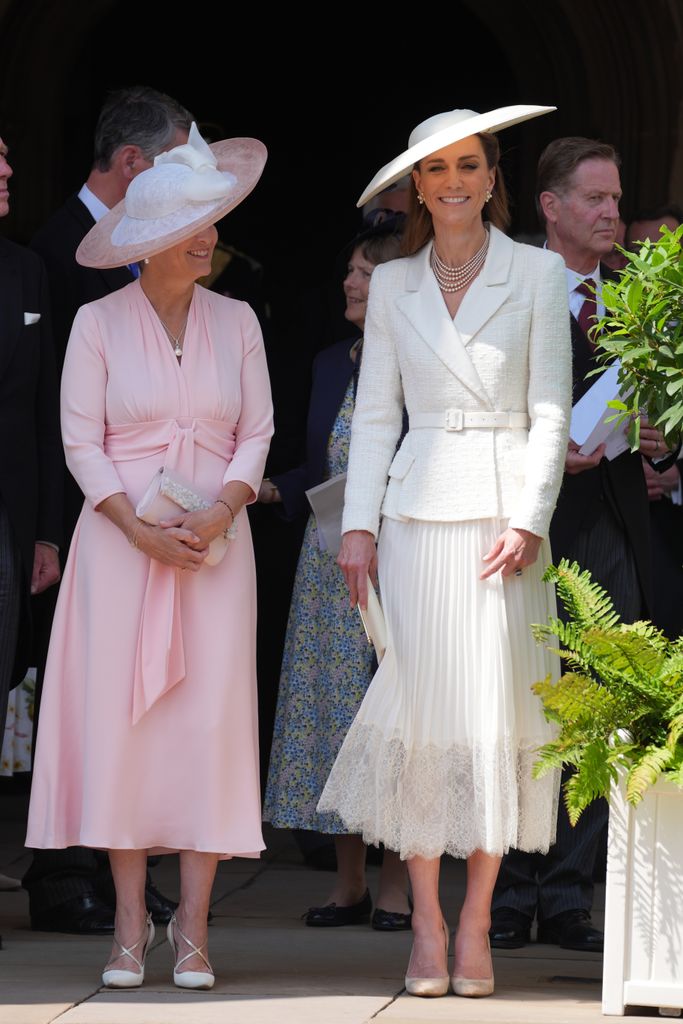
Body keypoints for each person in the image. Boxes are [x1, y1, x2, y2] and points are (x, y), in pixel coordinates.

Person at [317, 104, 572, 999]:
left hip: (503, 523)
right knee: (423, 722)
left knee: (492, 717)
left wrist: (531, 517)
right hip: (416, 519)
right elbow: (378, 414)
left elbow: (550, 410)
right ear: (415, 188)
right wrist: (356, 524)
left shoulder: (539, 275)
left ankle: (476, 922)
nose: (455, 183)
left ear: (492, 177)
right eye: (437, 170)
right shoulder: (391, 286)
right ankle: (424, 922)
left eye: (469, 166)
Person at [25, 123, 273, 990]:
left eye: (212, 222)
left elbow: (257, 434)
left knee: (207, 730)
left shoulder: (238, 319)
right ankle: (132, 925)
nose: (209, 238)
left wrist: (218, 514)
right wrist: (137, 529)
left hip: (213, 550)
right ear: (150, 242)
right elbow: (79, 443)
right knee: (126, 734)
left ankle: (195, 928)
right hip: (121, 551)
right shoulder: (94, 323)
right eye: (193, 227)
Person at [490, 138, 674, 953]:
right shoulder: (509, 290)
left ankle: (567, 896)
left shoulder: (635, 299)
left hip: (611, 525)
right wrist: (530, 448)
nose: (611, 213)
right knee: (519, 707)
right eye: (594, 199)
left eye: (616, 198)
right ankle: (504, 893)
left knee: (597, 708)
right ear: (550, 207)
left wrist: (650, 429)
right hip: (524, 528)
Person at [26, 85, 194, 936]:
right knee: (73, 692)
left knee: (130, 697)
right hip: (78, 512)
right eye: (177, 164)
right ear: (133, 165)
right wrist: (51, 524)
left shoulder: (151, 263)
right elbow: (47, 411)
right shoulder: (50, 252)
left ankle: (111, 861)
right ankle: (62, 873)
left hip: (135, 513)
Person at [262, 219, 412, 930]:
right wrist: (266, 489)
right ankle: (348, 882)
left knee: (398, 720)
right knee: (338, 721)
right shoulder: (328, 361)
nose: (348, 283)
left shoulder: (422, 361)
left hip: (403, 564)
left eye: (361, 272)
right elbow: (309, 461)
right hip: (328, 571)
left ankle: (395, 887)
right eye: (349, 271)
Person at [0, 133, 63, 947]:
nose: (10, 171)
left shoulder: (25, 271)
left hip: (7, 530)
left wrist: (48, 529)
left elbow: (44, 414)